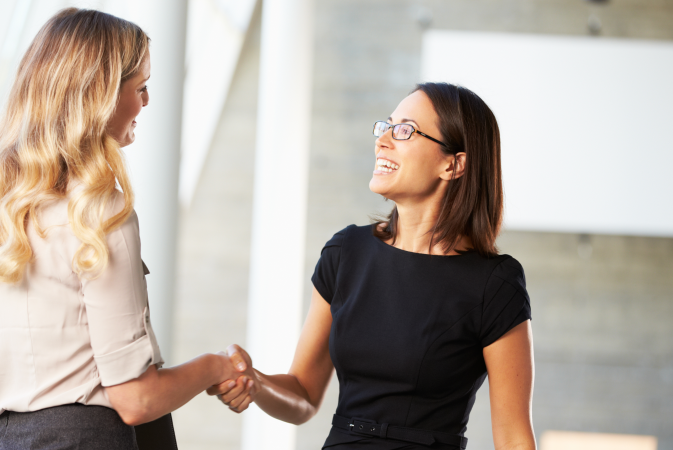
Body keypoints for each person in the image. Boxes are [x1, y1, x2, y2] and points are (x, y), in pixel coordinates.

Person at [0, 8, 242, 449]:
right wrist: (217, 366)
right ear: (99, 95)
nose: (145, 103)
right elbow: (136, 399)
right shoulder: (100, 213)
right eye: (140, 88)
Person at [209, 83, 536, 449]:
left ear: (453, 164)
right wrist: (256, 383)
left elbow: (513, 437)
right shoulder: (346, 252)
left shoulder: (494, 284)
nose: (382, 140)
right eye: (386, 126)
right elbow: (302, 395)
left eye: (405, 130)